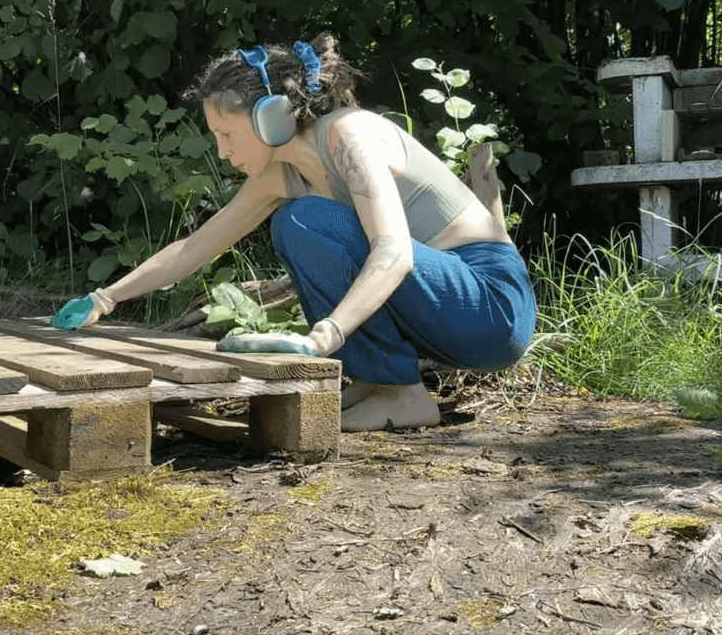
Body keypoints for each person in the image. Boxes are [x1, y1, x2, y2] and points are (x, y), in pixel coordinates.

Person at [52, 32, 536, 431]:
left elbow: (394, 253)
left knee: (304, 220)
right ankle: (377, 382)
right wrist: (103, 299)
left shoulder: (348, 134)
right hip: (443, 309)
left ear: (271, 117)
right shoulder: (281, 174)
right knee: (295, 221)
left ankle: (402, 396)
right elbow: (193, 249)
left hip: (491, 305)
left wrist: (324, 337)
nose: (222, 152)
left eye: (227, 134)